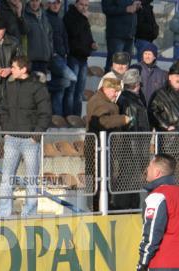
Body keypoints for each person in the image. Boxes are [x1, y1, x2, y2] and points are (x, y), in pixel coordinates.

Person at [0, 55, 52, 217]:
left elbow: (45, 113)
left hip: (30, 140)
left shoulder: (37, 88)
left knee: (32, 180)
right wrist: (6, 131)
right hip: (12, 139)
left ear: (23, 69)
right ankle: (3, 212)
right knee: (6, 178)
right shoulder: (10, 85)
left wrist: (35, 135)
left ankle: (30, 213)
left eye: (13, 67)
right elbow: (4, 109)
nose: (10, 70)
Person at [86, 77, 131, 211]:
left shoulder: (100, 100)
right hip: (100, 150)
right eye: (114, 91)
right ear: (106, 88)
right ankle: (100, 209)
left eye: (118, 92)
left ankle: (101, 207)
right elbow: (102, 121)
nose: (116, 94)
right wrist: (123, 119)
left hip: (101, 149)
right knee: (100, 181)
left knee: (101, 181)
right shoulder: (100, 102)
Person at [113, 68, 150, 209]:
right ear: (137, 85)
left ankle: (130, 210)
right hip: (132, 151)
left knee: (131, 185)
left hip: (132, 150)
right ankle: (127, 212)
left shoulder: (128, 99)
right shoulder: (130, 101)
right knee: (129, 185)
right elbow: (132, 128)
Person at [64, 0, 97, 116]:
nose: (84, 7)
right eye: (82, 5)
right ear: (76, 4)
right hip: (73, 57)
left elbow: (87, 35)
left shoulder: (84, 18)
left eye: (86, 5)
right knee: (71, 90)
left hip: (83, 58)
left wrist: (92, 43)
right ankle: (68, 117)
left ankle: (76, 117)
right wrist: (83, 18)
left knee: (79, 91)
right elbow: (73, 32)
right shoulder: (70, 15)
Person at [45, 0, 71, 117]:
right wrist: (53, 54)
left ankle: (57, 120)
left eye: (58, 3)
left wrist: (66, 51)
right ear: (48, 4)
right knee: (53, 92)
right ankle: (54, 121)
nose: (56, 5)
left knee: (60, 91)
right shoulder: (45, 18)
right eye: (53, 3)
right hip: (51, 60)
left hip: (61, 58)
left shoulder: (59, 19)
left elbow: (64, 36)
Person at [101, 0, 140, 72]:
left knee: (125, 66)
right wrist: (126, 9)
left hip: (130, 35)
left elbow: (133, 9)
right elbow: (106, 8)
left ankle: (122, 83)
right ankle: (110, 83)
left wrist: (137, 6)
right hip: (116, 35)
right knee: (114, 65)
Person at [24, 0, 52, 75]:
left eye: (37, 0)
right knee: (33, 85)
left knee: (43, 85)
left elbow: (49, 35)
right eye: (32, 1)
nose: (34, 3)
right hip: (32, 60)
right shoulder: (24, 15)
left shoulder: (44, 15)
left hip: (45, 59)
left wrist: (50, 52)